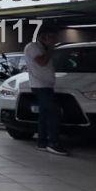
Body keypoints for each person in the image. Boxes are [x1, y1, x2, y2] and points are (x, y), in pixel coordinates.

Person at [23, 26, 68, 156]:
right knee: (53, 113)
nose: (55, 40)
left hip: (46, 85)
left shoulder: (43, 48)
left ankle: (42, 142)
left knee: (44, 114)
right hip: (40, 86)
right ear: (44, 36)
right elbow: (42, 62)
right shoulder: (33, 47)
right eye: (52, 37)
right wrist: (51, 48)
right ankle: (53, 143)